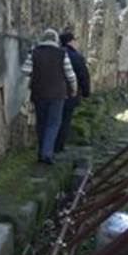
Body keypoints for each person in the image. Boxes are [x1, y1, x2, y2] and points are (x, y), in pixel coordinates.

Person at [22, 27, 77, 164]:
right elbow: (70, 74)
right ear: (56, 39)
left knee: (41, 123)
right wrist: (74, 88)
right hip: (58, 94)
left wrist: (35, 76)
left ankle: (42, 152)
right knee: (53, 123)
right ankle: (47, 153)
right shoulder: (62, 53)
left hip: (39, 93)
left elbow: (25, 71)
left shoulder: (34, 52)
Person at [55, 29, 91, 153]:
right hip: (71, 93)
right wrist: (86, 92)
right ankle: (59, 146)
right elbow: (83, 76)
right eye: (75, 40)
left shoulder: (56, 53)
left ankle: (48, 146)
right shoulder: (77, 57)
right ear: (70, 41)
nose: (76, 42)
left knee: (52, 119)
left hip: (53, 92)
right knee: (65, 120)